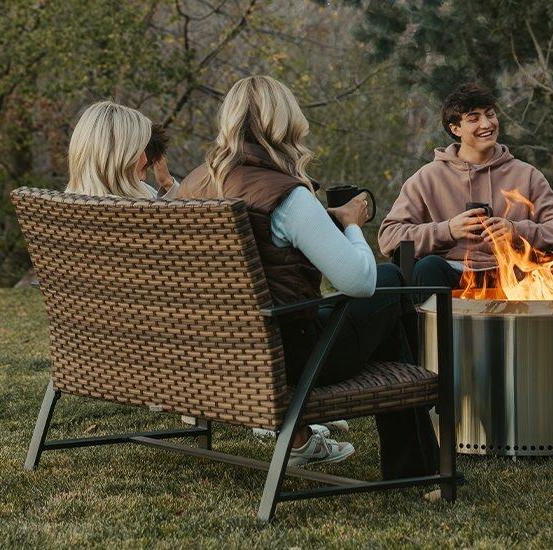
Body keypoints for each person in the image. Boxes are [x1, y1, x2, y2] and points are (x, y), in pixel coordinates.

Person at [177, 76, 437, 477]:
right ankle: (416, 461)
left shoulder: (194, 184)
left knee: (387, 326)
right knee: (388, 282)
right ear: (286, 124)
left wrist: (319, 222)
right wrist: (350, 223)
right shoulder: (286, 195)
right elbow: (358, 282)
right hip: (289, 359)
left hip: (216, 351)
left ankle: (417, 462)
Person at [378, 82, 553, 299]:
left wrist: (516, 231)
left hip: (515, 272)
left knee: (539, 274)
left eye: (490, 115)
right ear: (456, 129)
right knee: (427, 267)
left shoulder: (526, 175)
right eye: (474, 118)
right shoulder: (427, 178)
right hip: (451, 272)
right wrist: (448, 230)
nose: (486, 124)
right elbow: (389, 236)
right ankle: (434, 333)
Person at [65, 101, 180, 199]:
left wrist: (167, 183)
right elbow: (188, 216)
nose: (145, 159)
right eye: (139, 152)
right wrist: (170, 185)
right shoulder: (136, 209)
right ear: (118, 156)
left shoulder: (62, 205)